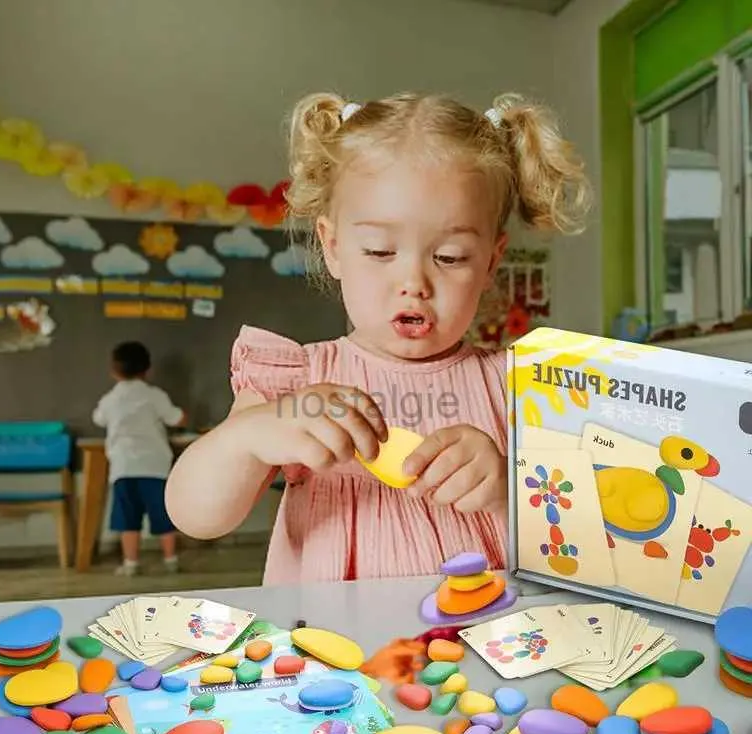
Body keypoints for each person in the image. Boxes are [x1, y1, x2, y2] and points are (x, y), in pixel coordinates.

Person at [166, 91, 590, 584]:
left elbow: (586, 539)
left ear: (491, 262)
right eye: (380, 250)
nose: (414, 281)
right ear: (334, 247)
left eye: (450, 256)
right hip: (338, 646)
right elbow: (195, 517)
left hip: (486, 639)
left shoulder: (519, 385)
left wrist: (511, 491)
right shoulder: (297, 382)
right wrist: (247, 437)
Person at [93, 341, 186, 576]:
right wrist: (183, 415)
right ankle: (170, 559)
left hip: (124, 467)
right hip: (155, 466)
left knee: (128, 518)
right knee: (163, 514)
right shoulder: (155, 396)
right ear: (148, 369)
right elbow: (176, 418)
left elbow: (98, 419)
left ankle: (131, 563)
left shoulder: (110, 399)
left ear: (113, 370)